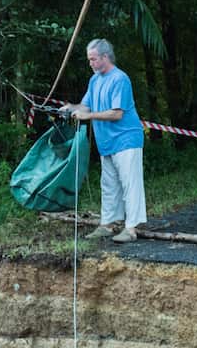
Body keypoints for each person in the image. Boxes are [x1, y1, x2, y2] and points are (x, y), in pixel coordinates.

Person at [62, 38, 146, 243]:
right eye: (89, 59)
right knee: (108, 184)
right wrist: (71, 108)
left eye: (93, 59)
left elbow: (117, 114)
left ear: (105, 57)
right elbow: (85, 107)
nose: (90, 63)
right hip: (107, 143)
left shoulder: (120, 79)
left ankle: (131, 228)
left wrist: (87, 117)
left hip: (126, 139)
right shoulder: (95, 80)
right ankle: (107, 224)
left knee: (130, 183)